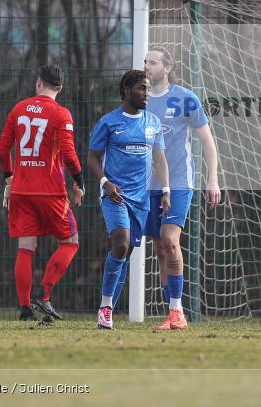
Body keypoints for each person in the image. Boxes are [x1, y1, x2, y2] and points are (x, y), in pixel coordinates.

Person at [0, 64, 85, 322]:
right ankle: (44, 296)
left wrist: (9, 178)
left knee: (26, 247)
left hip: (21, 191)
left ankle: (25, 309)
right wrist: (79, 180)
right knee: (70, 242)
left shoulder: (18, 109)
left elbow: (2, 151)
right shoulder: (61, 113)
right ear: (60, 88)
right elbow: (68, 154)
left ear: (38, 82)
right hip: (50, 192)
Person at [143, 46, 220, 331]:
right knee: (160, 248)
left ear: (168, 68)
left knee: (170, 240)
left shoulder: (185, 98)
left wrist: (213, 179)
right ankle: (172, 311)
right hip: (148, 185)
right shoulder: (140, 99)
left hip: (179, 183)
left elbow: (208, 141)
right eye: (145, 62)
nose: (147, 66)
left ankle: (178, 311)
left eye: (152, 62)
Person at [88, 69, 170, 330]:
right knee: (121, 245)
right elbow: (92, 158)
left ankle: (107, 309)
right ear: (127, 91)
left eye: (148, 89)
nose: (147, 94)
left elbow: (160, 160)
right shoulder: (109, 122)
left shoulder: (153, 122)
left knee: (126, 254)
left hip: (141, 200)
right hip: (115, 195)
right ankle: (105, 308)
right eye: (142, 89)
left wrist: (166, 190)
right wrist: (105, 182)